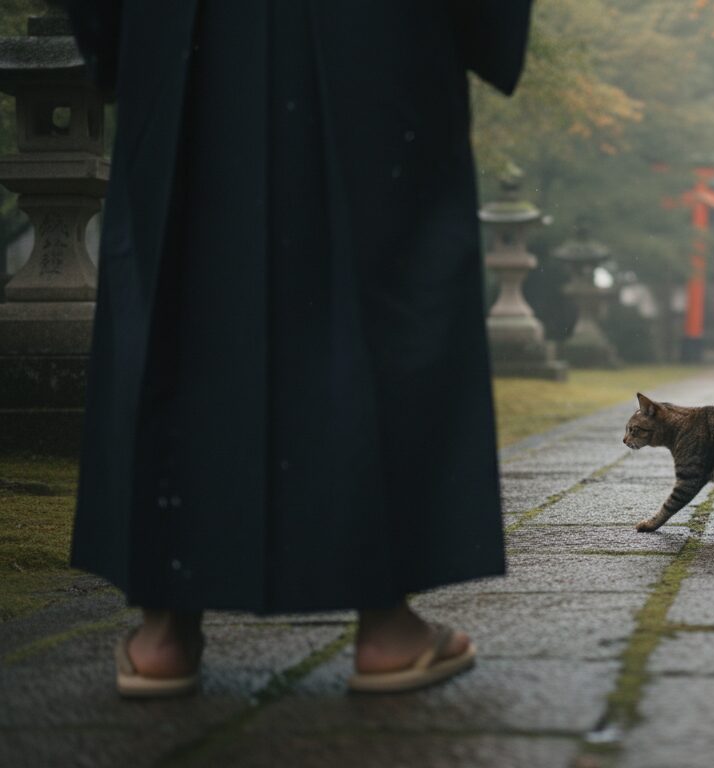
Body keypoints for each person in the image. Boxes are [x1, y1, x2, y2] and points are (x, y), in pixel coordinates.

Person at [63, 0, 534, 696]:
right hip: (373, 34)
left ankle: (164, 626)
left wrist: (115, 38)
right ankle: (386, 626)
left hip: (184, 30)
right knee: (383, 290)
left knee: (182, 288)